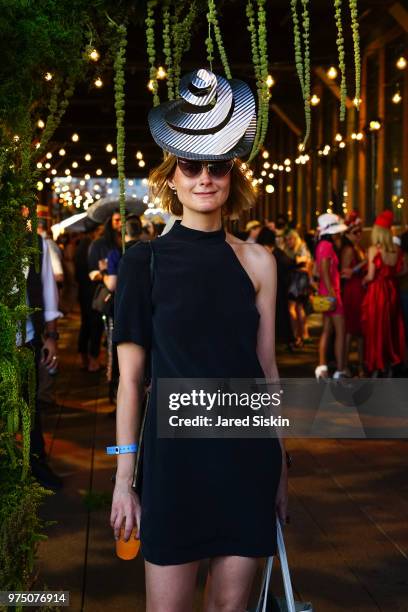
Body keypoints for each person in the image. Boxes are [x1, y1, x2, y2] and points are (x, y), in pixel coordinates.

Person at [110, 67, 288, 612]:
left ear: (233, 173)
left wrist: (281, 466)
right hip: (173, 470)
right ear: (172, 175)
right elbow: (131, 381)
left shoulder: (260, 261)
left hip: (245, 463)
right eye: (192, 165)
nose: (204, 177)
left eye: (218, 165)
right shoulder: (145, 262)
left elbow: (267, 370)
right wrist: (123, 477)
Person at [20, 206, 62, 490]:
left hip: (27, 339)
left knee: (30, 407)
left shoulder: (35, 243)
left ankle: (36, 463)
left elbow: (48, 289)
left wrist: (51, 336)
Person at [361, 211, 406, 376]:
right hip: (392, 290)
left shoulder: (374, 249)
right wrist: (390, 274)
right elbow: (403, 270)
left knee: (377, 328)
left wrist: (363, 281)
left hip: (377, 292)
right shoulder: (396, 249)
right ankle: (391, 362)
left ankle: (378, 363)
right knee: (391, 327)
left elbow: (371, 275)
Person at [87, 212, 122, 371]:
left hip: (124, 295)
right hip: (105, 294)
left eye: (123, 220)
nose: (120, 223)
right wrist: (104, 274)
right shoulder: (98, 244)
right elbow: (92, 271)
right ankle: (94, 359)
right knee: (97, 327)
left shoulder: (128, 242)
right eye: (116, 220)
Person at [314, 213, 348, 379]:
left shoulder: (320, 245)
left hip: (324, 292)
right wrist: (333, 294)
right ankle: (340, 370)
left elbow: (317, 271)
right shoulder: (327, 245)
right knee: (340, 331)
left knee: (327, 330)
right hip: (332, 293)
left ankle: (322, 367)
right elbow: (325, 272)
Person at [257, 227, 296, 350]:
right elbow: (290, 265)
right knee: (282, 315)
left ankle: (267, 343)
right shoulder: (279, 253)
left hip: (266, 289)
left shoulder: (259, 252)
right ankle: (288, 340)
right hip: (280, 288)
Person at [340, 212, 366, 376]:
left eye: (359, 232)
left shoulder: (356, 247)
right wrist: (364, 264)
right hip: (351, 290)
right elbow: (344, 272)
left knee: (360, 329)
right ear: (348, 233)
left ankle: (360, 364)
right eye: (355, 232)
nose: (358, 235)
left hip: (359, 290)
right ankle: (346, 365)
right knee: (350, 329)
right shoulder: (348, 249)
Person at [284, 229, 312, 346]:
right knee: (298, 308)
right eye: (287, 239)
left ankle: (297, 335)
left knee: (294, 308)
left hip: (298, 281)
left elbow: (307, 263)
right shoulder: (289, 249)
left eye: (290, 239)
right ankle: (302, 334)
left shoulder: (301, 247)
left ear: (295, 238)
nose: (288, 241)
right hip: (297, 280)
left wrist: (293, 265)